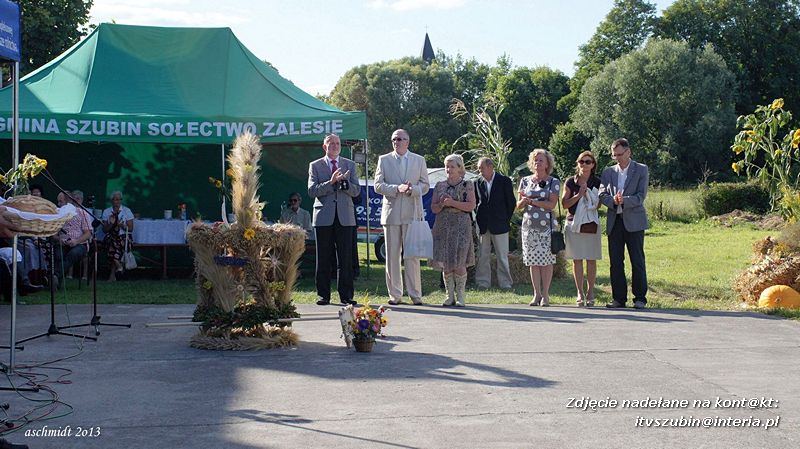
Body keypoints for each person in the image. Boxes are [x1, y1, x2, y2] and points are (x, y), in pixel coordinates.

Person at [374, 128, 430, 305]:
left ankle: (415, 295)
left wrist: (413, 190)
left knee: (411, 256)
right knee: (392, 256)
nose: (396, 142)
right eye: (394, 139)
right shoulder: (383, 159)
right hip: (391, 213)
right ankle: (395, 295)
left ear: (408, 141)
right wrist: (396, 189)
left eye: (400, 139)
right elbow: (377, 185)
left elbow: (426, 185)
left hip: (412, 213)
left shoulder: (419, 160)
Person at [307, 134, 360, 306]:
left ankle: (346, 296)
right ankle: (323, 295)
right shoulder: (315, 166)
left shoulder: (350, 165)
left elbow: (356, 191)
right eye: (331, 143)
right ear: (325, 146)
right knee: (323, 257)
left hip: (345, 216)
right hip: (323, 217)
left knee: (345, 258)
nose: (335, 146)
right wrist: (331, 182)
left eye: (337, 143)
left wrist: (345, 184)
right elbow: (312, 191)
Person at [599, 138, 649, 309]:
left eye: (620, 154)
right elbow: (601, 193)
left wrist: (624, 201)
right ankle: (618, 299)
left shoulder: (641, 169)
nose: (617, 158)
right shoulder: (608, 172)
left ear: (629, 152)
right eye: (614, 155)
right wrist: (612, 200)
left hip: (634, 221)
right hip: (615, 221)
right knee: (616, 262)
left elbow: (641, 196)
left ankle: (640, 298)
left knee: (637, 260)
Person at [430, 154, 476, 307]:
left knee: (460, 260)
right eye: (447, 166)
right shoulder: (439, 185)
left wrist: (452, 203)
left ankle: (461, 296)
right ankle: (449, 296)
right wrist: (443, 205)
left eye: (452, 166)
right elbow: (434, 208)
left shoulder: (467, 185)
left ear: (459, 168)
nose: (449, 169)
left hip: (461, 225)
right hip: (443, 224)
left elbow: (470, 206)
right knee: (446, 261)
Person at [517, 149, 560, 306]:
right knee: (533, 261)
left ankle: (546, 295)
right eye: (535, 160)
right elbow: (518, 205)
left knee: (547, 261)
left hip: (546, 226)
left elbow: (552, 204)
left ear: (547, 163)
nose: (537, 162)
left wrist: (533, 202)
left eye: (541, 160)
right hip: (529, 226)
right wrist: (524, 201)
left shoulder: (553, 182)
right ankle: (536, 294)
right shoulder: (525, 181)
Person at [561, 151, 602, 307]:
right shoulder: (571, 182)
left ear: (593, 165)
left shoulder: (598, 182)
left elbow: (599, 205)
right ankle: (579, 292)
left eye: (588, 162)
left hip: (591, 223)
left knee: (591, 259)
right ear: (577, 163)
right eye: (581, 162)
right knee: (577, 259)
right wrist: (579, 195)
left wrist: (590, 196)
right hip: (573, 223)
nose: (584, 164)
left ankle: (590, 292)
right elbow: (565, 204)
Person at [474, 157, 516, 290]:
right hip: (483, 225)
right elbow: (475, 202)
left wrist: (504, 218)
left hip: (500, 223)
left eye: (482, 168)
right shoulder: (477, 182)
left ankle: (505, 282)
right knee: (482, 255)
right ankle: (483, 282)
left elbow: (511, 203)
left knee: (502, 256)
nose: (480, 171)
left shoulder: (504, 181)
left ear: (491, 166)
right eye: (479, 168)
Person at [51, 190, 92, 287]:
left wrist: (76, 241)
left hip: (79, 244)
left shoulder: (82, 213)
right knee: (58, 255)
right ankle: (57, 283)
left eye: (61, 201)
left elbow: (88, 233)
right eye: (58, 201)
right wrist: (58, 239)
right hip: (63, 243)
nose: (58, 204)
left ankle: (55, 276)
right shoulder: (58, 213)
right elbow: (53, 234)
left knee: (73, 253)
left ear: (68, 201)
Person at [101, 191, 134, 281]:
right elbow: (104, 230)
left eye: (119, 199)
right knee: (112, 243)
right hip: (111, 236)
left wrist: (122, 225)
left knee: (114, 246)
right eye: (115, 199)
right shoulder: (107, 212)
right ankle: (119, 266)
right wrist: (111, 224)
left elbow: (131, 229)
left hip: (124, 236)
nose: (117, 202)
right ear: (112, 201)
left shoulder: (127, 211)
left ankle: (112, 275)